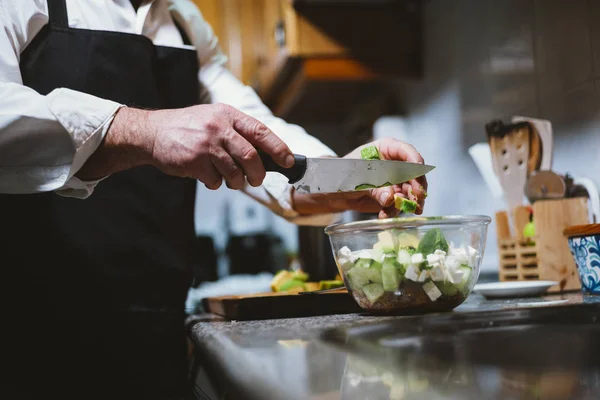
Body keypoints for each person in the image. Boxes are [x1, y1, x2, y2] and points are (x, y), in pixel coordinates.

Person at [0, 0, 427, 399]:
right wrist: (143, 131)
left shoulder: (184, 19)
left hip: (157, 327)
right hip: (31, 331)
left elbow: (253, 127)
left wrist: (349, 176)